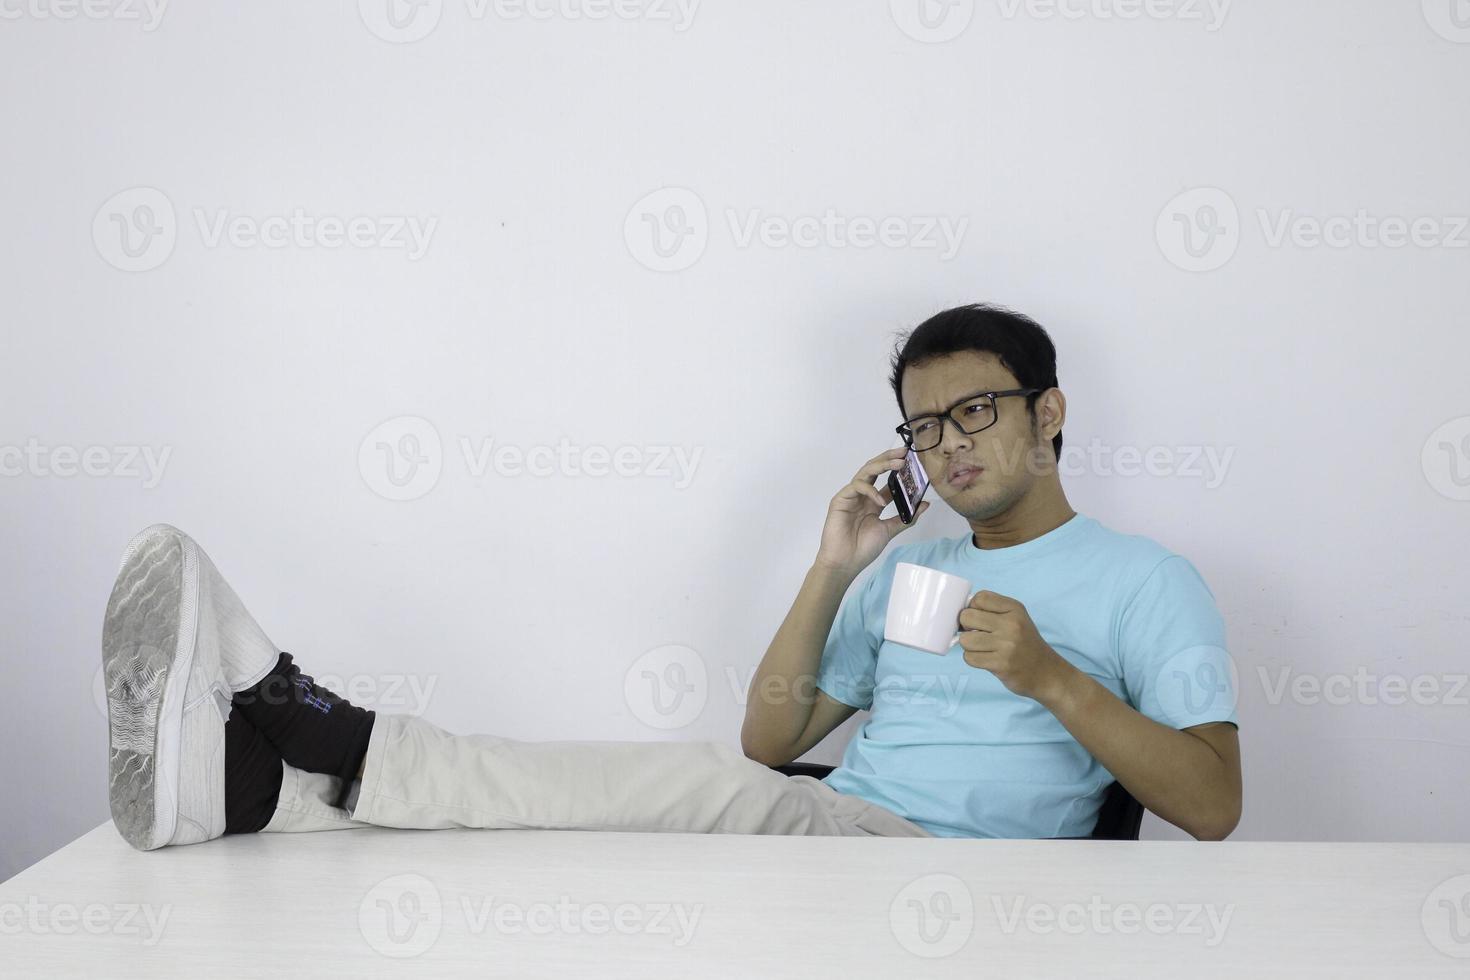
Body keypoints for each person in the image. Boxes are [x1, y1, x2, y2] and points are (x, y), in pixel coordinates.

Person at [101, 303, 1240, 851]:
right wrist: (835, 564)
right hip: (839, 832)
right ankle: (273, 792)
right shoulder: (918, 570)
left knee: (690, 788)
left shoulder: (1148, 581)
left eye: (976, 411)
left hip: (958, 875)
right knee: (618, 823)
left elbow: (1215, 804)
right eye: (925, 425)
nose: (947, 445)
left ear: (1049, 412)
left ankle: (323, 736)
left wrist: (1050, 677)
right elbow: (768, 735)